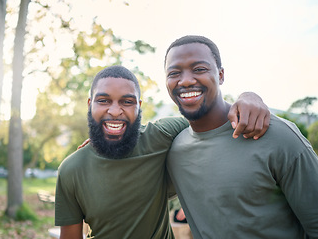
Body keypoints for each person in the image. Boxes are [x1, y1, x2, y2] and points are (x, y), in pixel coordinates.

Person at [55, 65, 270, 239]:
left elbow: (211, 117)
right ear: (90, 104)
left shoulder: (159, 136)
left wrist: (249, 97)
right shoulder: (71, 169)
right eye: (103, 101)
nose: (114, 110)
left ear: (139, 106)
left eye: (126, 102)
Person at [165, 35, 318, 238]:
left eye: (199, 69)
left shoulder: (277, 135)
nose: (185, 80)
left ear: (220, 75)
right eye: (174, 73)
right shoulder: (174, 149)